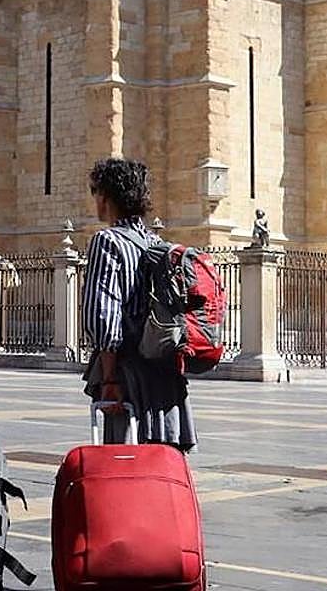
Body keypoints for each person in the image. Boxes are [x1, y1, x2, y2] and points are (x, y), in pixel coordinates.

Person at [81, 157, 196, 452]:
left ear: (104, 196)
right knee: (162, 462)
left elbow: (104, 316)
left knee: (126, 460)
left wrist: (108, 379)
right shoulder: (156, 244)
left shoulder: (107, 241)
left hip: (128, 374)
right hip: (166, 376)